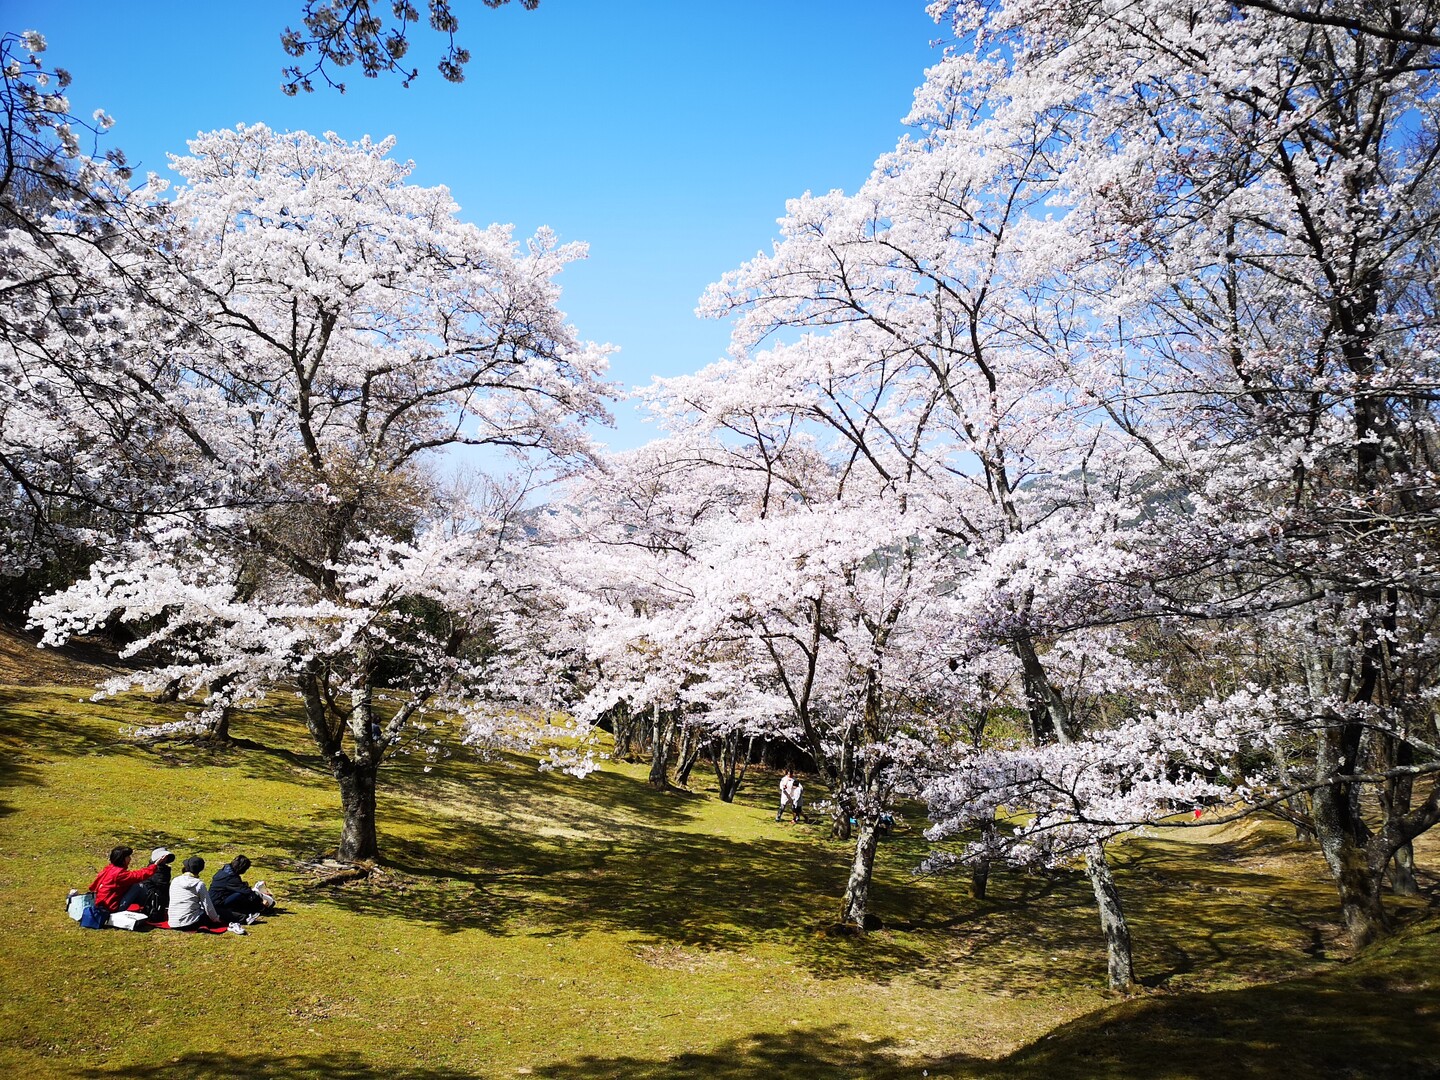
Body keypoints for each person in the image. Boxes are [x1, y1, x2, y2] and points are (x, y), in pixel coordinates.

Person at [168, 855, 246, 934]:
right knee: (216, 911)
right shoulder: (199, 884)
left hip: (173, 922)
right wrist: (216, 919)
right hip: (190, 923)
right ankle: (243, 918)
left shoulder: (175, 880)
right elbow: (208, 906)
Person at [88, 845, 160, 916]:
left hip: (102, 905)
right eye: (128, 857)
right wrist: (155, 865)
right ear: (122, 859)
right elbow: (138, 876)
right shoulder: (119, 874)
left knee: (133, 885)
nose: (130, 859)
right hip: (112, 909)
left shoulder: (109, 869)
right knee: (138, 886)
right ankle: (150, 908)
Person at [209, 855, 276, 921]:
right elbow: (246, 891)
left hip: (217, 898)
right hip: (219, 902)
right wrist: (260, 901)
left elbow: (236, 886)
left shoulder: (224, 871)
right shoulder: (231, 878)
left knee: (244, 893)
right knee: (242, 894)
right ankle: (261, 908)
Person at [117, 847, 176, 920]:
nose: (165, 859)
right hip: (151, 896)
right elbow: (161, 885)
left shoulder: (163, 869)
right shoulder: (157, 871)